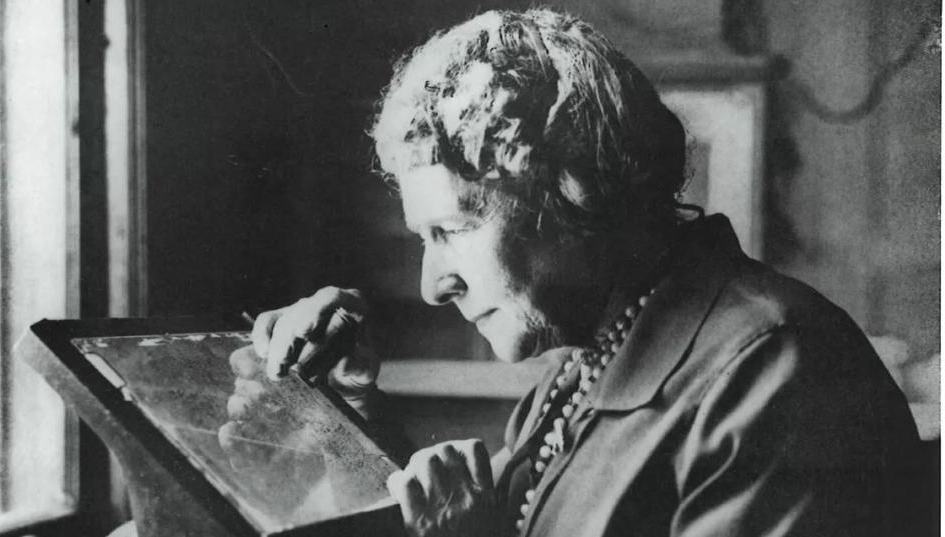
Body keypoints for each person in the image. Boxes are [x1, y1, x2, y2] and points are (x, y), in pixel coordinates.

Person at [247, 8, 923, 537]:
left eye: (452, 231)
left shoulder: (778, 377)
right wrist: (353, 410)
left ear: (574, 191)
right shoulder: (583, 363)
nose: (433, 284)